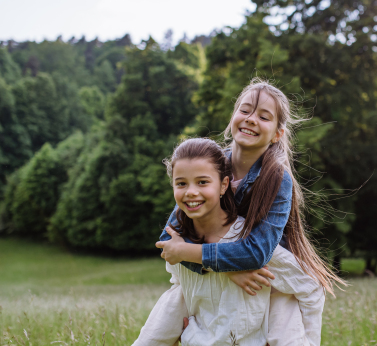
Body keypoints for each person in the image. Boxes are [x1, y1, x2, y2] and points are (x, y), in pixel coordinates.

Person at [135, 80, 344, 345]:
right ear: (233, 117)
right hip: (228, 265)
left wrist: (197, 255)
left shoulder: (276, 178)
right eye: (245, 110)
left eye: (264, 116)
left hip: (272, 271)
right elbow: (171, 236)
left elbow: (258, 253)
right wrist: (227, 269)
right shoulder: (210, 165)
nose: (251, 119)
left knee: (286, 336)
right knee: (163, 322)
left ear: (277, 134)